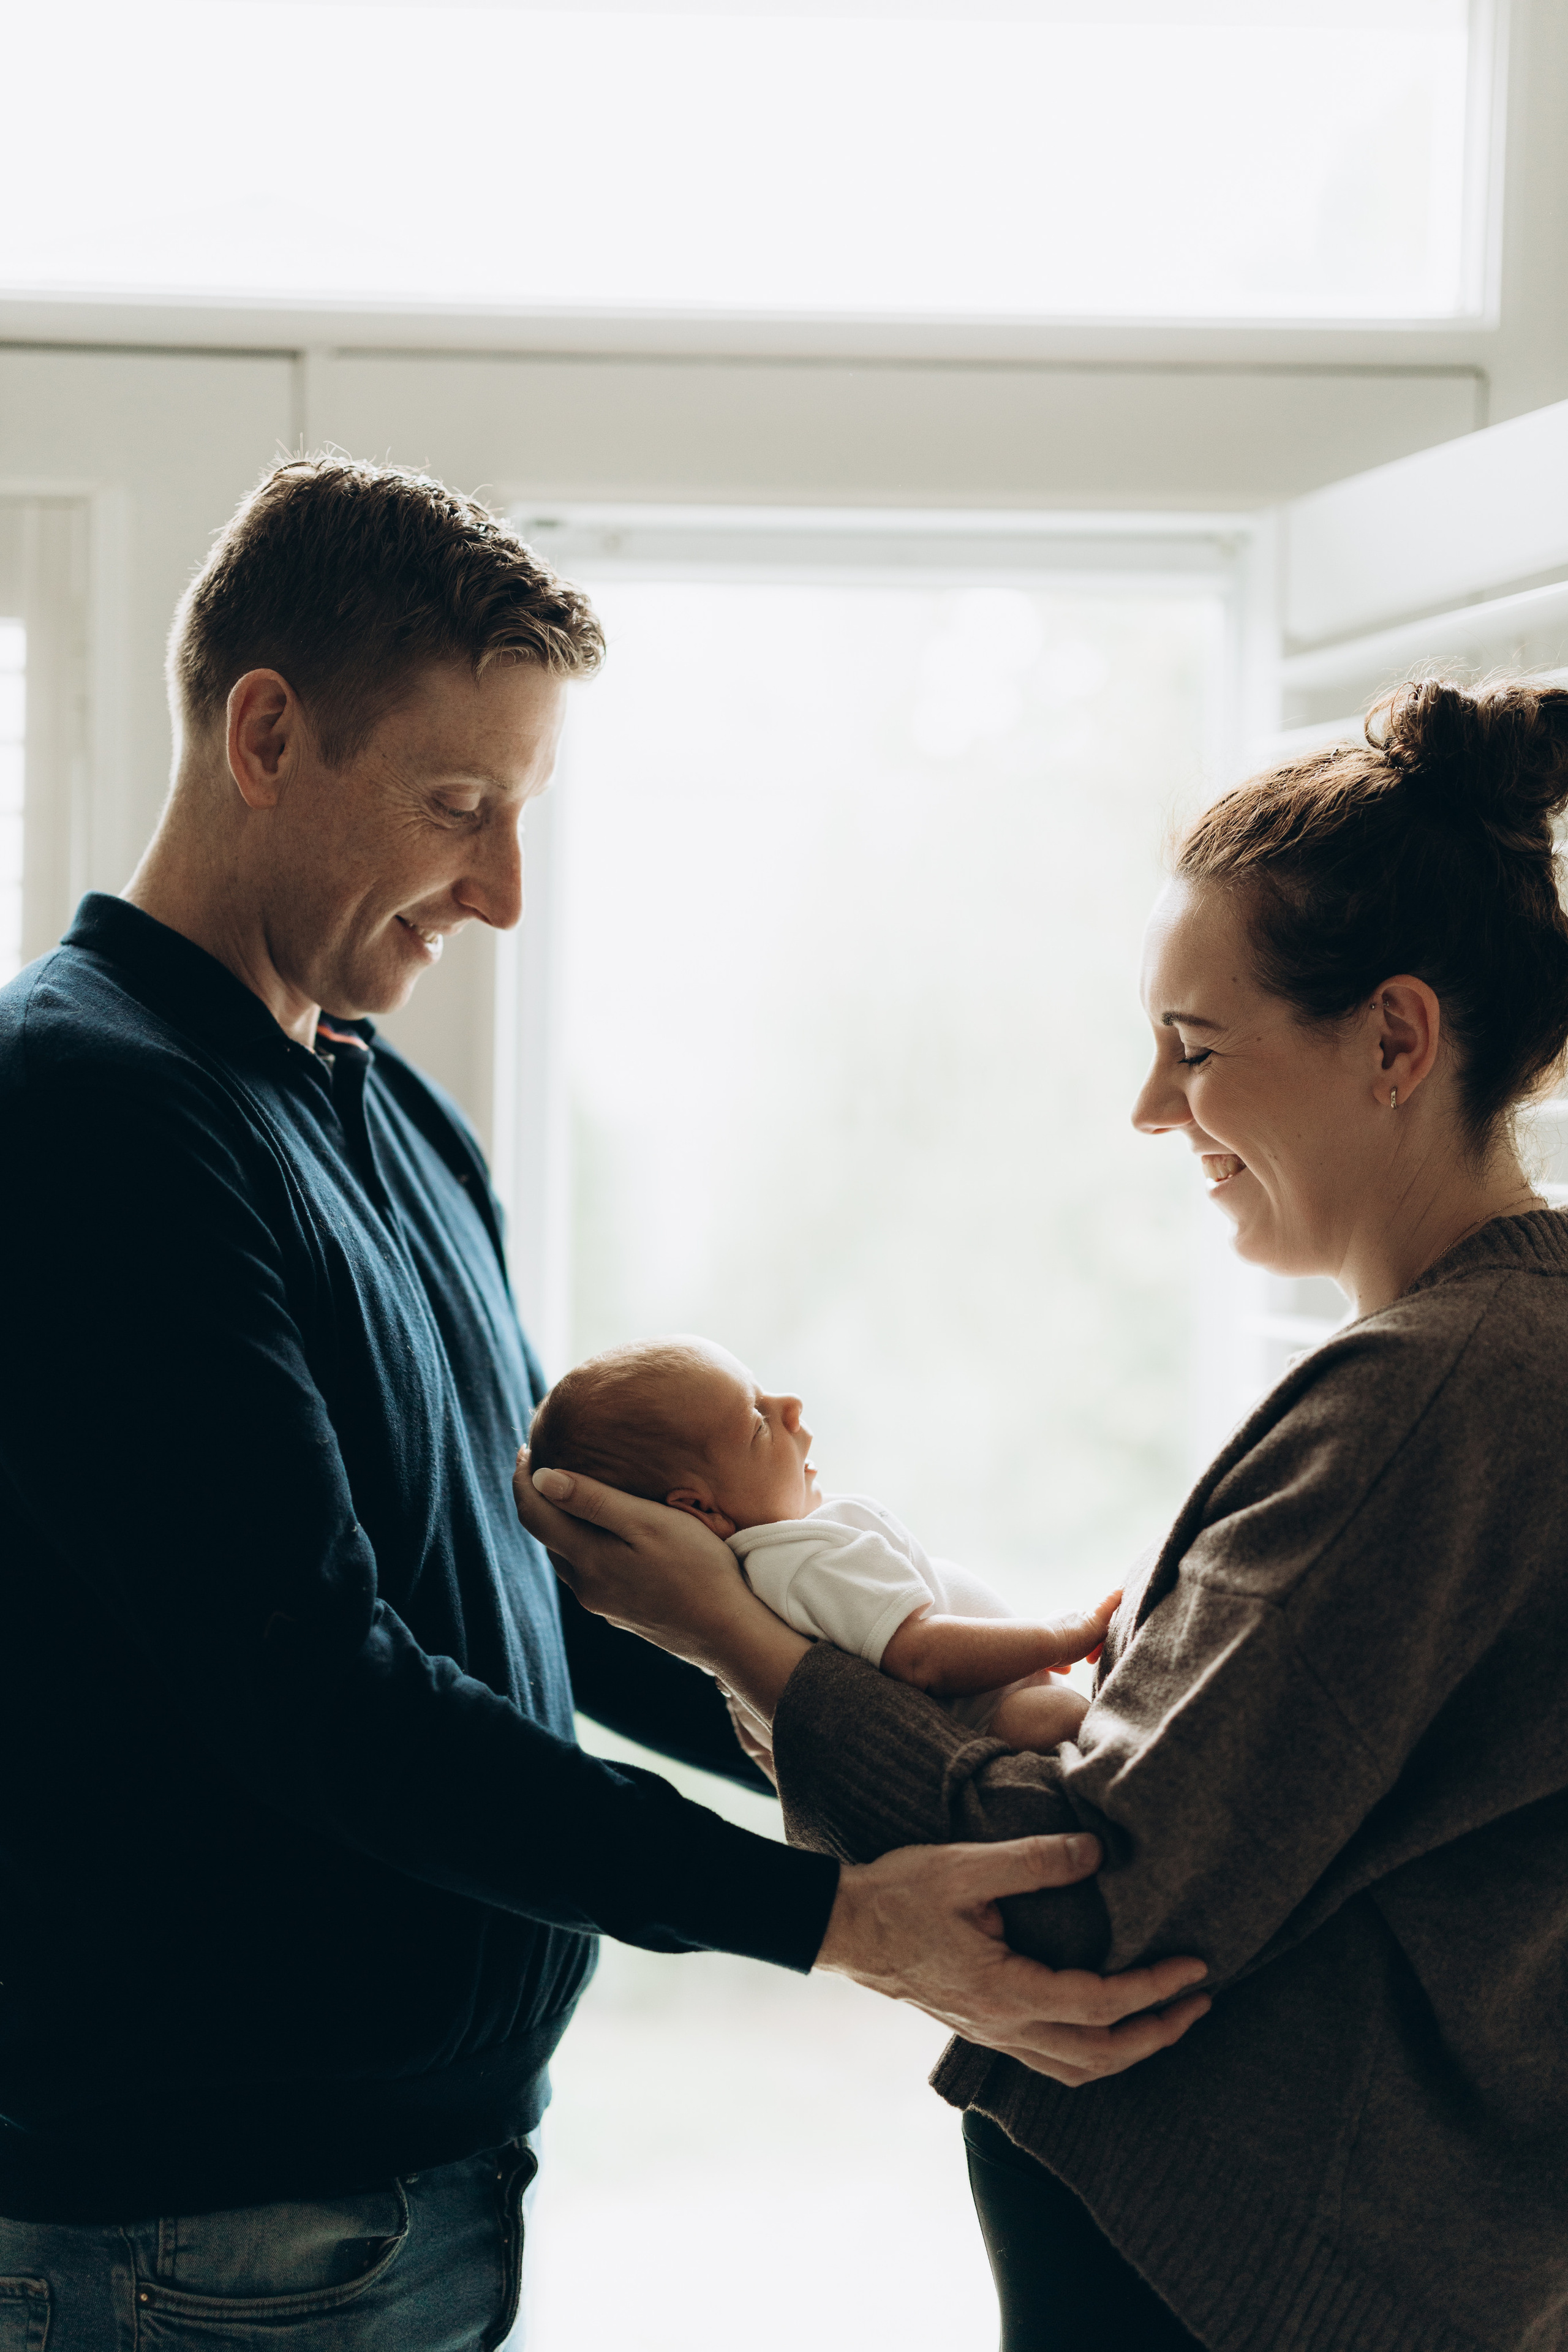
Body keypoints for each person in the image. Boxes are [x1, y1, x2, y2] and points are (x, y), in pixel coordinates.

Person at [0, 455, 1208, 2351]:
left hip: (422, 2179)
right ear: (263, 732)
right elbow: (310, 1681)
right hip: (203, 2228)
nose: (497, 888)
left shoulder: (389, 1115)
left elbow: (553, 1584)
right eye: (456, 806)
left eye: (520, 814)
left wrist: (908, 1734)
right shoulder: (86, 1117)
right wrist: (831, 1920)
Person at [519, 676, 1568, 2352]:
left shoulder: (1442, 1394)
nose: (1156, 1112)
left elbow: (1077, 1894)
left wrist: (737, 1631)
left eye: (1196, 1049)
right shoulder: (1482, 1364)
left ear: (1393, 1040)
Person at [529, 1333, 1115, 1746]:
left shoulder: (785, 1557)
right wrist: (1057, 1635)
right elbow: (922, 1656)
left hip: (994, 1699)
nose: (789, 1406)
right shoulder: (796, 1564)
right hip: (993, 1721)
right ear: (700, 1508)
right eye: (757, 1420)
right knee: (1061, 1717)